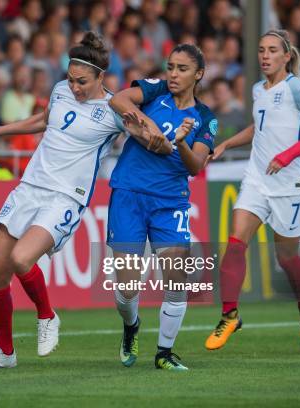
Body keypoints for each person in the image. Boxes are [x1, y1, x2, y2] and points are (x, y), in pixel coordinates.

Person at [0, 32, 169, 370]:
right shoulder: (61, 90)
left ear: (100, 78)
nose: (74, 87)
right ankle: (5, 353)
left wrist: (163, 140)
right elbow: (44, 120)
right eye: (70, 79)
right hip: (30, 186)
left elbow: (146, 136)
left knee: (21, 259)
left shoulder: (112, 111)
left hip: (65, 197)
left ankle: (47, 316)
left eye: (82, 82)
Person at [204, 29, 300, 350]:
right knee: (235, 244)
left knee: (287, 258)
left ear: (286, 56)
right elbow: (258, 128)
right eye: (261, 50)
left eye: (272, 50)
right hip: (257, 178)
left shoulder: (297, 87)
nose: (264, 56)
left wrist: (288, 154)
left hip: (289, 183)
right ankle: (230, 315)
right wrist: (226, 144)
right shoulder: (258, 88)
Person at [108, 44, 217, 371]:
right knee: (127, 288)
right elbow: (118, 99)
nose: (173, 74)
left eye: (182, 69)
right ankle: (131, 325)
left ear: (198, 74)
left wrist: (179, 143)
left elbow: (196, 165)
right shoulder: (154, 91)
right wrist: (148, 127)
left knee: (176, 277)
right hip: (129, 193)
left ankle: (164, 353)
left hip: (170, 202)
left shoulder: (205, 118)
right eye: (171, 66)